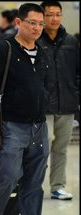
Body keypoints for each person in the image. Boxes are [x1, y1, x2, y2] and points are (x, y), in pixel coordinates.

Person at [0, 3, 54, 215]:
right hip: (12, 124)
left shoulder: (42, 51)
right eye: (32, 22)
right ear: (18, 23)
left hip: (39, 125)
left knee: (34, 179)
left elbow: (46, 83)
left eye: (40, 24)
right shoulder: (5, 48)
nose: (37, 28)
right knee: (9, 175)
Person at [37, 1, 79, 200]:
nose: (54, 19)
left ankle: (57, 186)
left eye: (58, 14)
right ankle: (34, 185)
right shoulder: (36, 40)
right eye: (50, 15)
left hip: (67, 103)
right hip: (43, 106)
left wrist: (75, 94)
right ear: (42, 17)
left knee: (61, 148)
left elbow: (77, 72)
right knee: (41, 148)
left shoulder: (71, 41)